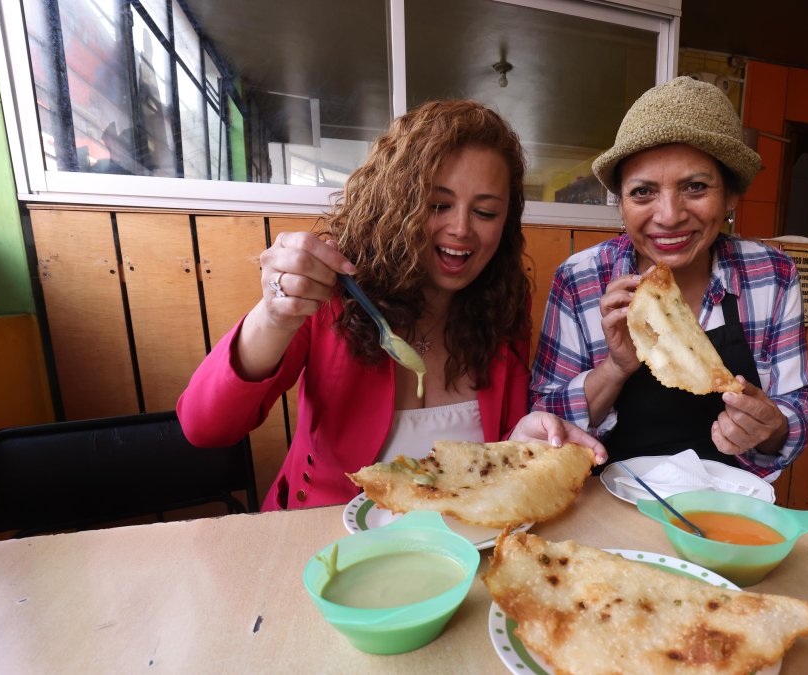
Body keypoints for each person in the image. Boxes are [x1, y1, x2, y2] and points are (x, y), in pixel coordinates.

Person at [178, 100, 604, 511]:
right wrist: (272, 315)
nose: (460, 229)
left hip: (459, 547)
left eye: (485, 212)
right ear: (397, 204)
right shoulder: (333, 290)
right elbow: (206, 427)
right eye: (438, 205)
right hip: (329, 543)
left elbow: (497, 453)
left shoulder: (503, 304)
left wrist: (523, 439)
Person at [530, 76, 808, 479]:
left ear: (731, 195)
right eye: (643, 192)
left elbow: (796, 408)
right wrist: (615, 368)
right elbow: (545, 424)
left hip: (727, 514)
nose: (668, 216)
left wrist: (770, 428)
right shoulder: (581, 278)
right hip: (607, 511)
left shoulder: (772, 274)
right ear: (621, 204)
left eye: (696, 187)